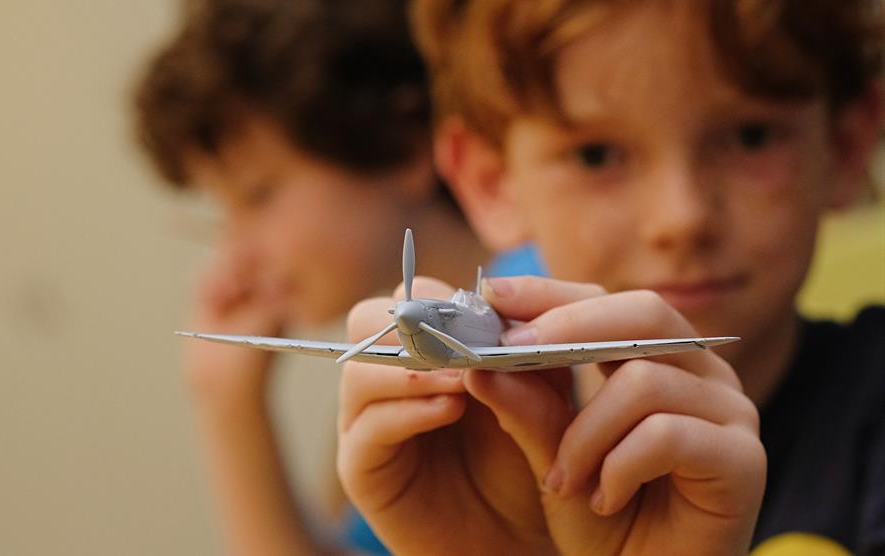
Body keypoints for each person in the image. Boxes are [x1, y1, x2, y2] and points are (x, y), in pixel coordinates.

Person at [336, 0, 884, 554]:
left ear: (846, 143)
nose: (682, 217)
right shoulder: (449, 453)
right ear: (491, 180)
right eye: (596, 155)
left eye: (751, 137)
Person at [132, 1, 546, 553]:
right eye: (221, 213)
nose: (236, 254)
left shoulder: (520, 320)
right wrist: (226, 400)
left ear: (398, 143)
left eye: (258, 195)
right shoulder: (402, 361)